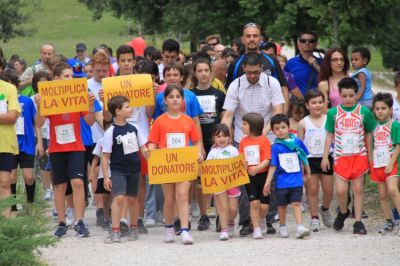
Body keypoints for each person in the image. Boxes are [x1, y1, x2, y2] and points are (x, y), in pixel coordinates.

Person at [222, 52, 284, 236]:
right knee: (244, 180)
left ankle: (268, 219)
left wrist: (262, 133)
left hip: (267, 135)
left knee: (268, 180)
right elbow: (228, 115)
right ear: (243, 69)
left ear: (262, 69)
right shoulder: (236, 85)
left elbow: (277, 111)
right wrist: (223, 136)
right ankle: (246, 221)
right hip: (243, 138)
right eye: (249, 72)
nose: (252, 76)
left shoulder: (271, 83)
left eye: (256, 72)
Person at [35, 62, 96, 237]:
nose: (70, 79)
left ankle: (80, 221)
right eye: (66, 76)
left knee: (77, 182)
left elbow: (90, 121)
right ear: (56, 79)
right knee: (60, 185)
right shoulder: (49, 97)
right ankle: (62, 221)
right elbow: (38, 123)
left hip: (76, 146)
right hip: (56, 148)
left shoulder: (77, 95)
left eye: (71, 76)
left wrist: (91, 105)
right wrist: (40, 107)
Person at [148, 84, 203, 245]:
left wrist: (198, 152)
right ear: (165, 100)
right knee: (170, 198)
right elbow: (153, 142)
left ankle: (184, 230)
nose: (174, 99)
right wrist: (150, 152)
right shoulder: (159, 121)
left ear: (182, 100)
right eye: (171, 97)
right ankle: (169, 227)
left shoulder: (187, 120)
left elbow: (196, 140)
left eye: (178, 97)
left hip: (184, 164)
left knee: (183, 196)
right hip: (167, 165)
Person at [321, 77, 375, 235]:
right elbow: (329, 135)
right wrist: (325, 156)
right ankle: (343, 211)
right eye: (344, 96)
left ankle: (358, 221)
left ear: (356, 94)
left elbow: (369, 134)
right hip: (340, 157)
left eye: (351, 96)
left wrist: (370, 156)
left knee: (358, 189)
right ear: (340, 95)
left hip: (359, 156)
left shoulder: (364, 112)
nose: (348, 99)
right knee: (341, 191)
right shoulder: (333, 113)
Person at [102, 96, 149, 243]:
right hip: (118, 170)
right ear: (118, 111)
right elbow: (105, 157)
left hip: (134, 169)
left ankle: (133, 227)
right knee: (119, 198)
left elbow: (144, 149)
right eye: (127, 107)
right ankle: (115, 230)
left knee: (133, 199)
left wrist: (155, 160)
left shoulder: (135, 129)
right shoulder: (110, 132)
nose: (130, 109)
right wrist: (105, 177)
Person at [263, 114, 311, 239]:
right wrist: (268, 182)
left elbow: (304, 157)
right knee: (282, 206)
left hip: (296, 180)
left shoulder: (296, 141)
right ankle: (282, 226)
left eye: (283, 127)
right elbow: (273, 165)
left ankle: (300, 227)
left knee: (296, 203)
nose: (280, 131)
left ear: (288, 127)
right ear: (273, 131)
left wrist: (308, 173)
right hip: (281, 182)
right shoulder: (275, 146)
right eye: (277, 128)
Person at [191, 58, 226, 231]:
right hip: (198, 141)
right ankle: (203, 215)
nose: (203, 74)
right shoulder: (190, 95)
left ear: (211, 72)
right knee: (200, 181)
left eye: (206, 70)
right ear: (195, 73)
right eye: (200, 70)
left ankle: (221, 216)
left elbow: (225, 119)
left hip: (217, 142)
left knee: (218, 179)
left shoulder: (219, 95)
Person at [298, 90, 334, 232]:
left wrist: (327, 157)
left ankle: (324, 208)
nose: (317, 105)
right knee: (312, 190)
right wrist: (302, 164)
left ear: (325, 103)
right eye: (313, 103)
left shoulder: (329, 119)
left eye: (320, 102)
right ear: (307, 105)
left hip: (326, 157)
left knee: (328, 190)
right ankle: (314, 218)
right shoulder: (302, 123)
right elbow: (300, 145)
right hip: (310, 159)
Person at [1, 70, 37, 207]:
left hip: (26, 143)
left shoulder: (27, 101)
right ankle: (13, 205)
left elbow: (35, 122)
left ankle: (30, 202)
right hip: (9, 142)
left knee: (28, 176)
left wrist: (38, 140)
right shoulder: (2, 101)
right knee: (10, 176)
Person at [370, 92, 400, 234]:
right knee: (382, 195)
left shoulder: (394, 125)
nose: (380, 111)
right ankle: (389, 221)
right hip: (378, 164)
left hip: (392, 164)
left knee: (392, 190)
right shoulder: (374, 126)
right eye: (377, 109)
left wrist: (391, 163)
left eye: (383, 108)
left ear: (390, 110)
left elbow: (398, 145)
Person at [225, 23, 287, 91]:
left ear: (260, 39)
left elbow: (283, 87)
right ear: (242, 39)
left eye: (255, 36)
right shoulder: (235, 64)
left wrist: (285, 102)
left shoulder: (272, 61)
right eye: (248, 36)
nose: (252, 39)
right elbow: (229, 90)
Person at [239, 113, 271, 239]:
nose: (242, 126)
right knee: (254, 203)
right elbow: (241, 158)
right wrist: (244, 163)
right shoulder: (243, 141)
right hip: (250, 177)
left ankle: (260, 219)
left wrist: (258, 168)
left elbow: (268, 159)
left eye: (245, 124)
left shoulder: (264, 140)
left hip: (262, 175)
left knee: (264, 206)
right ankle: (256, 228)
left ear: (253, 126)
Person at [206, 124, 240, 241]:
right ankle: (224, 230)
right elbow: (208, 169)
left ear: (230, 138)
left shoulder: (234, 150)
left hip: (233, 183)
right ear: (214, 138)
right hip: (219, 184)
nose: (222, 139)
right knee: (223, 208)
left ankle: (231, 222)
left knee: (233, 209)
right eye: (218, 136)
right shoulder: (212, 152)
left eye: (225, 136)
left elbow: (239, 166)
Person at [0, 73, 20, 217]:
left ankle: (5, 222)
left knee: (5, 181)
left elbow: (12, 117)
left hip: (4, 142)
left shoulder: (9, 88)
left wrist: (7, 117)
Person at [284, 30, 322, 95]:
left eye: (311, 41)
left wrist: (317, 67)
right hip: (298, 103)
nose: (307, 43)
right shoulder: (290, 63)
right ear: (299, 43)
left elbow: (330, 81)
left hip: (317, 103)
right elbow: (284, 84)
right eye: (303, 41)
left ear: (316, 44)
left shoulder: (323, 62)